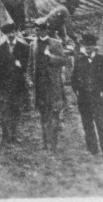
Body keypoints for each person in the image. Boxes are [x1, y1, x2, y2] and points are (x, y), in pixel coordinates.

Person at [70, 33, 103, 163]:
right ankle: (92, 149)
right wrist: (77, 92)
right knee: (87, 123)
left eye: (91, 45)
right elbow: (74, 79)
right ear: (84, 46)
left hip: (97, 98)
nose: (88, 48)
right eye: (86, 45)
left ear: (95, 46)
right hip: (84, 98)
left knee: (102, 124)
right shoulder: (80, 61)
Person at [29, 22, 69, 153]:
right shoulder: (33, 45)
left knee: (54, 114)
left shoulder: (56, 43)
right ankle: (45, 142)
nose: (41, 32)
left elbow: (63, 60)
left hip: (53, 85)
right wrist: (29, 79)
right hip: (40, 86)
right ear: (36, 31)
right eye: (39, 30)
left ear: (47, 30)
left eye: (44, 30)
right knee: (43, 114)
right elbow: (30, 64)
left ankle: (53, 145)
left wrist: (49, 56)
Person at [0, 23, 29, 144]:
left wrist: (20, 65)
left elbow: (28, 66)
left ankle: (14, 135)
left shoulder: (24, 48)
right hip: (4, 85)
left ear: (16, 32)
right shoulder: (0, 50)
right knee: (4, 110)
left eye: (13, 31)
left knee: (16, 110)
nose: (11, 34)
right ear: (5, 34)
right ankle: (5, 136)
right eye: (9, 33)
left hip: (18, 85)